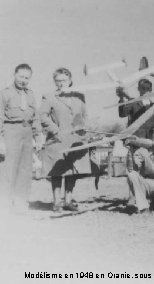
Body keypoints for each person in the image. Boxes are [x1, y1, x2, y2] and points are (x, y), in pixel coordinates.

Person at [39, 67, 97, 212]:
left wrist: (86, 130)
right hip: (57, 139)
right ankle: (57, 202)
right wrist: (55, 130)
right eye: (57, 81)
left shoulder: (79, 96)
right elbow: (43, 116)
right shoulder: (49, 96)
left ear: (70, 80)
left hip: (76, 139)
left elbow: (85, 116)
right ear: (54, 82)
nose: (61, 83)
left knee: (72, 171)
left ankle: (68, 201)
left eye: (64, 80)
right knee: (57, 171)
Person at [0, 63, 42, 212]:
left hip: (27, 132)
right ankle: (4, 202)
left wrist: (38, 136)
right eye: (21, 76)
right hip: (10, 131)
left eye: (27, 78)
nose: (23, 80)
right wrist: (0, 141)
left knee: (25, 169)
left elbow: (35, 117)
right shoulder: (4, 93)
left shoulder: (30, 94)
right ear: (14, 75)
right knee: (8, 169)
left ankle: (20, 202)